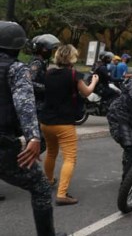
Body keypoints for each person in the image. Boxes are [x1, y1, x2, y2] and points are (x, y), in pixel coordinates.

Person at [0, 21, 67, 236]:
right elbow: (24, 104)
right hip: (4, 142)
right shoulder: (17, 68)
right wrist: (33, 137)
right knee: (40, 187)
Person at [40, 45, 99, 206]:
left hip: (46, 121)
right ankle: (62, 194)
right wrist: (94, 81)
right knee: (69, 158)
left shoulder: (49, 73)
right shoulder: (74, 75)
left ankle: (49, 181)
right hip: (64, 122)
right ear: (72, 57)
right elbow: (86, 93)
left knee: (51, 152)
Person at [28, 34, 61, 114]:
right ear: (42, 49)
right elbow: (29, 82)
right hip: (36, 104)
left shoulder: (41, 62)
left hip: (40, 102)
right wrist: (46, 87)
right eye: (48, 49)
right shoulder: (36, 63)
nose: (50, 52)